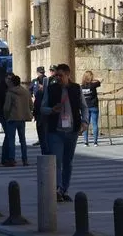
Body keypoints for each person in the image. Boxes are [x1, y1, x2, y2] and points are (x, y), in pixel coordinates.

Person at [41, 63, 88, 202]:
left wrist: (85, 122)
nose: (58, 78)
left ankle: (64, 189)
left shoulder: (76, 89)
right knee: (57, 162)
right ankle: (57, 189)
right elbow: (42, 108)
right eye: (56, 75)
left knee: (68, 162)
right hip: (56, 131)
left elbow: (84, 107)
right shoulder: (51, 89)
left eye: (61, 75)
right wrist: (51, 110)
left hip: (72, 131)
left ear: (68, 75)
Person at [80, 70, 101, 146]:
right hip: (94, 106)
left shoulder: (81, 86)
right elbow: (99, 82)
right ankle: (95, 142)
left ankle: (86, 141)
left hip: (85, 107)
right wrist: (93, 80)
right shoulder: (93, 85)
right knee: (95, 124)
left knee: (86, 124)